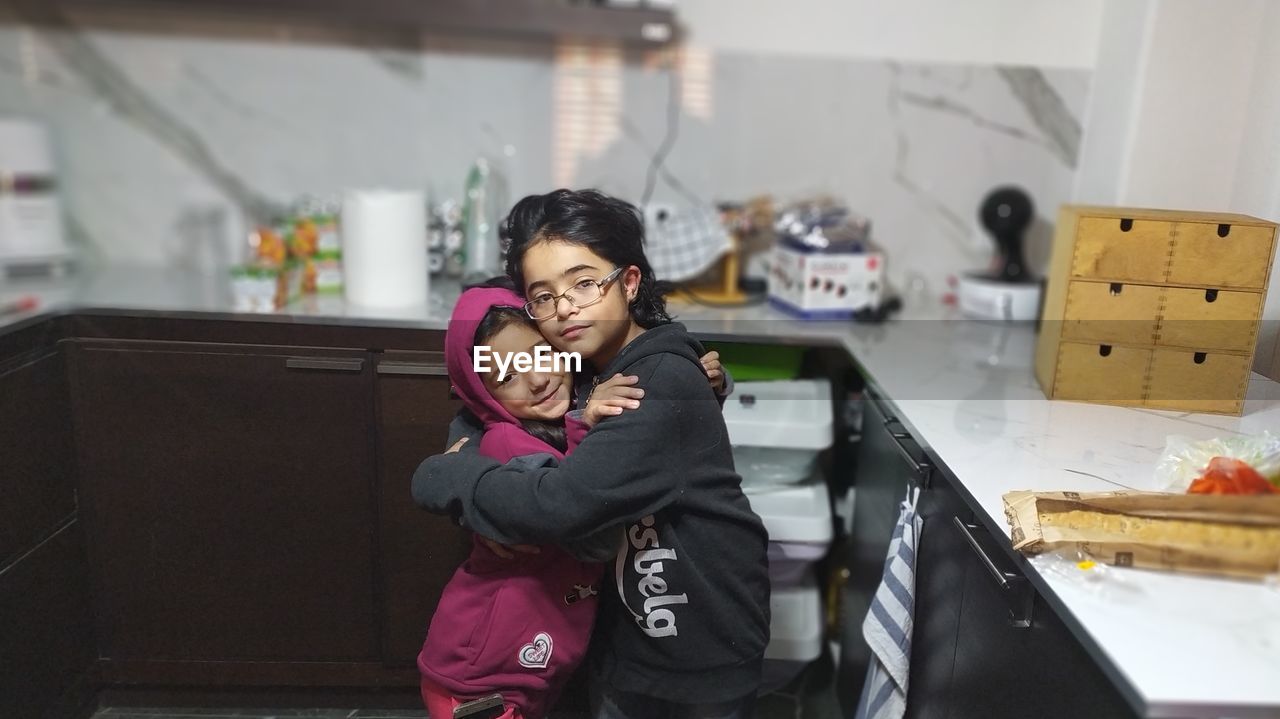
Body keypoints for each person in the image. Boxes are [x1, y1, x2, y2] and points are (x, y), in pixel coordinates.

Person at [414, 189, 770, 719]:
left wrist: (450, 478)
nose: (566, 309)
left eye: (584, 283)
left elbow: (559, 504)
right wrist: (459, 454)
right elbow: (485, 404)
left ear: (628, 282)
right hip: (632, 628)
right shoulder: (585, 364)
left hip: (696, 640)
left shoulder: (650, 383)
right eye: (544, 296)